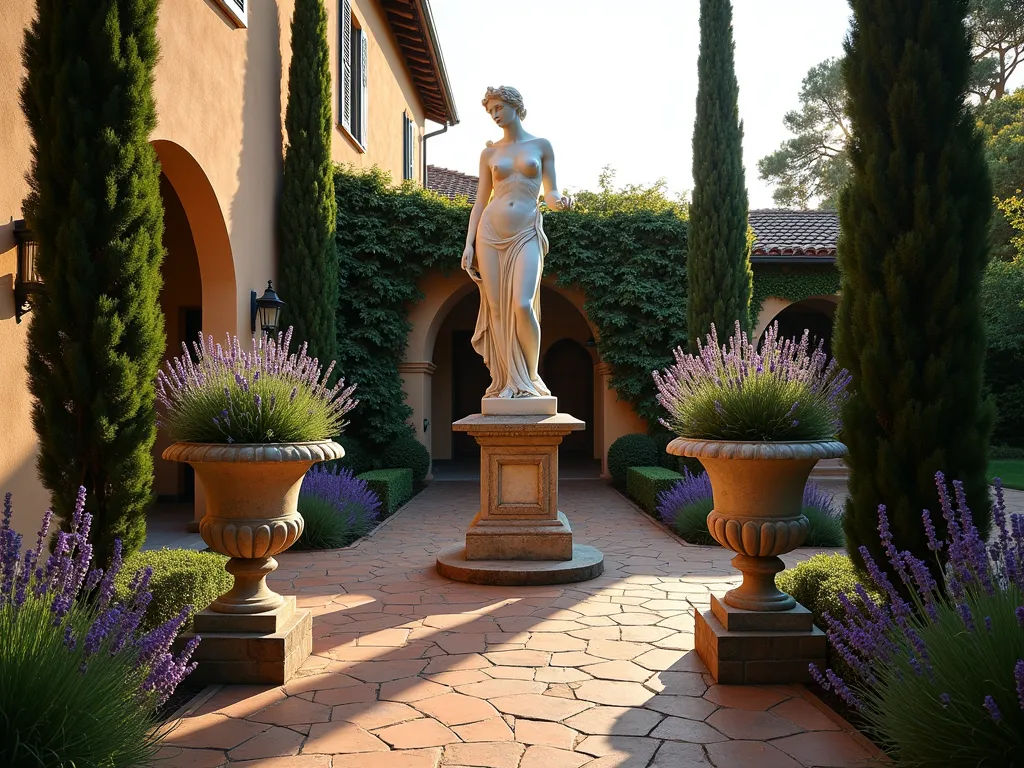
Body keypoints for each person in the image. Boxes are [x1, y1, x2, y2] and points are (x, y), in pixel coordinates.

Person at [462, 85, 572, 400]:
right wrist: (469, 244)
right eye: (490, 111)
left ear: (514, 106)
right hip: (490, 234)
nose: (495, 115)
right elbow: (480, 201)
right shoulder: (489, 153)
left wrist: (559, 201)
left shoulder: (541, 145)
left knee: (522, 305)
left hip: (526, 232)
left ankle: (531, 379)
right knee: (497, 309)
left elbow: (549, 193)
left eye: (498, 107)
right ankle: (508, 381)